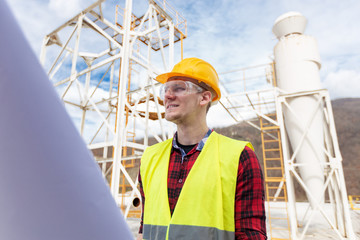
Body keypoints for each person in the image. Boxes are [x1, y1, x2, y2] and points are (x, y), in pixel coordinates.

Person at [137, 57, 267, 240]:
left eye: (179, 88)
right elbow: (146, 227)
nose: (167, 95)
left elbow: (251, 234)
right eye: (165, 89)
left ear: (205, 97)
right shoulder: (150, 157)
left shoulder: (240, 156)